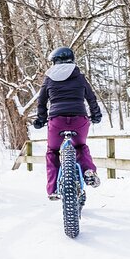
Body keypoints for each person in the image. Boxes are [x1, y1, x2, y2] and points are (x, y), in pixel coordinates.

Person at [33, 47, 102, 200]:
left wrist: (40, 119)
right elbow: (91, 98)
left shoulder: (49, 78)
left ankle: (54, 189)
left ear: (55, 61)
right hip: (79, 120)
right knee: (80, 147)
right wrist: (96, 115)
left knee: (52, 152)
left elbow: (41, 102)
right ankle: (88, 171)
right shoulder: (79, 77)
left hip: (57, 121)